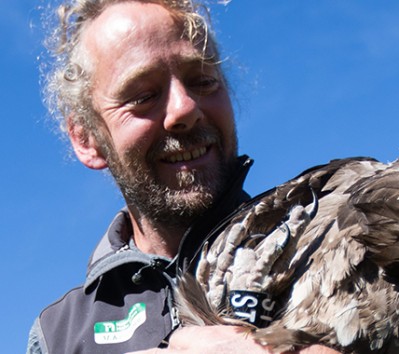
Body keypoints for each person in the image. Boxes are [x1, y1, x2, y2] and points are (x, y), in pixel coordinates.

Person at [27, 0, 337, 353]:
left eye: (203, 81)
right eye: (143, 96)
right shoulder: (59, 334)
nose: (185, 108)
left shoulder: (328, 245)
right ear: (87, 139)